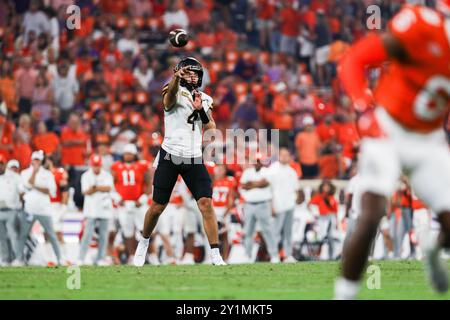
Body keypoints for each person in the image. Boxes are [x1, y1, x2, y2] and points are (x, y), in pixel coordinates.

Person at [335, 1, 450, 299]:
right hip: (389, 130)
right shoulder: (421, 27)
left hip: (429, 140)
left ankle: (433, 252)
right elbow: (356, 59)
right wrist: (363, 105)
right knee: (372, 213)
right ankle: (344, 294)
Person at [134, 57, 226, 266]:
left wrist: (200, 108)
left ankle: (215, 254)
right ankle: (144, 242)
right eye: (188, 73)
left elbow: (210, 126)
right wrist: (175, 78)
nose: (193, 77)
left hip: (193, 156)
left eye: (196, 73)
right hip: (170, 154)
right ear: (179, 73)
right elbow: (167, 103)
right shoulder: (172, 88)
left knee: (206, 204)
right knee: (158, 206)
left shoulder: (204, 98)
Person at [13, 150, 60, 266]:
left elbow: (51, 192)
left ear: (41, 161)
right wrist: (34, 173)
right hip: (29, 209)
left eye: (38, 160)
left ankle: (60, 258)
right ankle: (19, 259)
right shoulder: (25, 173)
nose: (36, 162)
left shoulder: (48, 174)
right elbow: (27, 186)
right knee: (23, 235)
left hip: (44, 209)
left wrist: (35, 187)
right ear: (31, 160)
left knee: (51, 235)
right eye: (35, 160)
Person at [111, 143, 151, 264]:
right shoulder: (116, 167)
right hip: (124, 204)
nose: (128, 156)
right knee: (127, 232)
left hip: (138, 203)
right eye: (126, 153)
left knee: (144, 230)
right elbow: (112, 185)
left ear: (134, 154)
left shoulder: (142, 165)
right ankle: (132, 256)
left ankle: (147, 255)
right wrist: (118, 198)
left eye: (130, 153)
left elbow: (148, 183)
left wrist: (143, 198)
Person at [240, 154, 279, 263]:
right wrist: (258, 184)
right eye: (256, 161)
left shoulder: (267, 171)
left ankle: (274, 255)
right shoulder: (247, 172)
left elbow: (265, 184)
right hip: (249, 204)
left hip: (263, 204)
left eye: (259, 161)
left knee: (268, 231)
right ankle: (247, 255)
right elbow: (243, 186)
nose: (257, 163)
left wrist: (251, 184)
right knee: (248, 231)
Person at [78, 154, 114, 266]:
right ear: (91, 165)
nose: (96, 168)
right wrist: (99, 188)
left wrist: (95, 188)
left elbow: (108, 188)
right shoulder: (86, 175)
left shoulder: (107, 174)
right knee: (87, 234)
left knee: (103, 235)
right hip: (91, 209)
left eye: (98, 166)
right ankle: (81, 258)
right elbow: (85, 191)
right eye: (94, 166)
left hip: (104, 208)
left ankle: (101, 258)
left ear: (101, 165)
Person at [267, 148, 300, 263]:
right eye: (283, 155)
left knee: (288, 232)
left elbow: (295, 189)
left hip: (290, 205)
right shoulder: (272, 170)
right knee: (275, 232)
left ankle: (288, 255)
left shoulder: (292, 171)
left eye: (287, 155)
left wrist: (295, 201)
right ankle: (274, 255)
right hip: (277, 205)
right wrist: (271, 206)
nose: (285, 157)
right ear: (279, 156)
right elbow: (269, 190)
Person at [0, 154, 23, 265]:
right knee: (1, 237)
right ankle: (5, 259)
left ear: (5, 164)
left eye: (1, 164)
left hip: (11, 211)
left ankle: (18, 258)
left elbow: (22, 191)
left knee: (13, 236)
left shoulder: (14, 176)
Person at [211, 164, 237, 262]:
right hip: (213, 210)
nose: (219, 171)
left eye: (221, 169)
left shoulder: (229, 181)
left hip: (224, 210)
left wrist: (224, 214)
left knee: (225, 235)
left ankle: (226, 258)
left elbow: (231, 199)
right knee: (212, 234)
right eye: (217, 169)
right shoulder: (211, 181)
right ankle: (212, 257)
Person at [309, 180, 338, 260]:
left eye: (328, 186)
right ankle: (316, 256)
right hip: (322, 219)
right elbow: (310, 205)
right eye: (325, 186)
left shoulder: (332, 197)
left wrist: (336, 222)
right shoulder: (319, 197)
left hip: (331, 218)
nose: (326, 188)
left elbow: (335, 211)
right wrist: (315, 215)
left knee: (331, 238)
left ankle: (332, 256)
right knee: (320, 237)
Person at [45, 156, 69, 244]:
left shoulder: (59, 173)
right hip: (44, 205)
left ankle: (63, 255)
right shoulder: (42, 174)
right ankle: (48, 256)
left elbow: (65, 191)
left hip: (56, 204)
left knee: (57, 232)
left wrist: (63, 205)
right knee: (46, 233)